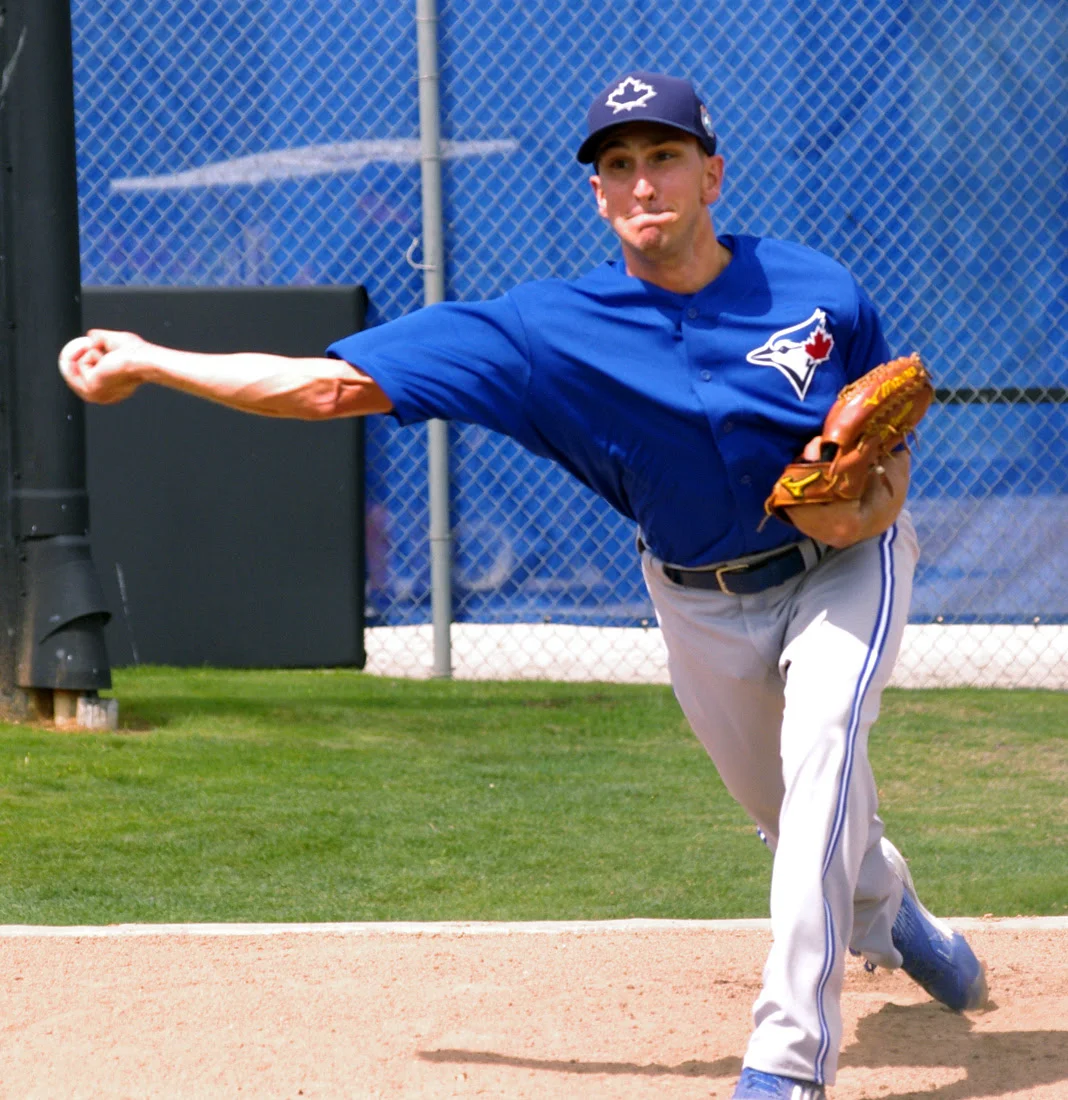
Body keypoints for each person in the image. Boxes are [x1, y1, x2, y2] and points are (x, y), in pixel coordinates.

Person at [59, 70, 987, 1100]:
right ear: (597, 194)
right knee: (790, 812)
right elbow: (329, 385)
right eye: (618, 164)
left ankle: (784, 1062)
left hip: (844, 573)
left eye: (664, 155)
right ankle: (888, 905)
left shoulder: (817, 287)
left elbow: (887, 430)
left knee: (822, 751)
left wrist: (875, 504)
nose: (642, 181)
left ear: (712, 171)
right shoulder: (546, 333)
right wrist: (151, 359)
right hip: (696, 599)